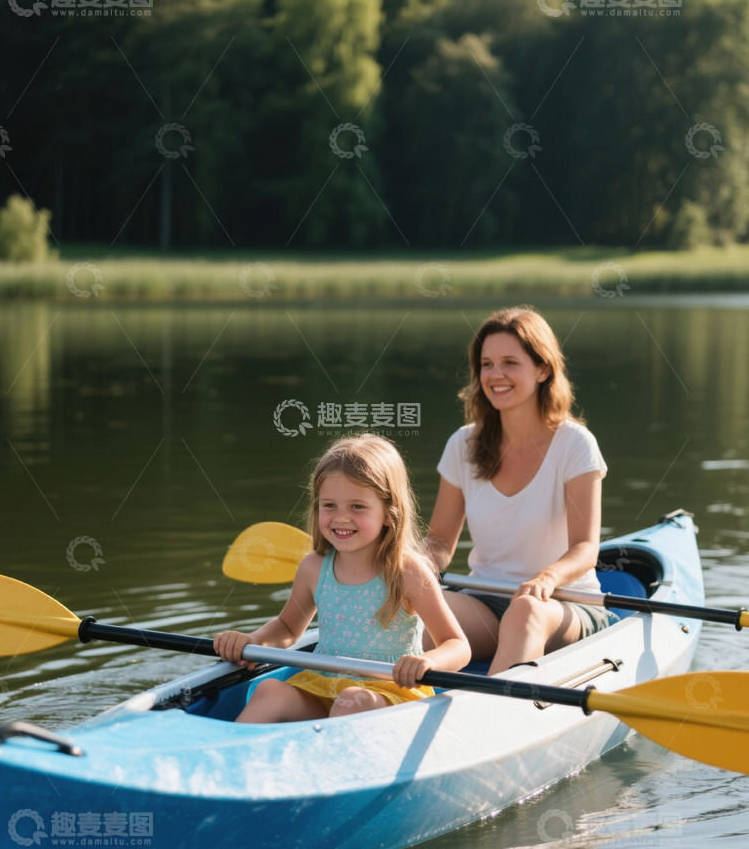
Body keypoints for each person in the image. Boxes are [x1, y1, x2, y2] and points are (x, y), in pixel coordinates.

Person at [214, 433, 471, 722]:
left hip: (390, 693)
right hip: (323, 686)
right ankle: (231, 763)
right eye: (330, 505)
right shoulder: (314, 568)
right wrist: (254, 640)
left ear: (389, 512)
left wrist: (427, 661)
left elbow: (457, 645)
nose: (341, 518)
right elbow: (287, 627)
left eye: (357, 506)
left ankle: (326, 761)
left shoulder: (408, 571)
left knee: (351, 701)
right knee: (269, 690)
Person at [426, 306, 612, 676]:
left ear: (543, 370)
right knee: (414, 613)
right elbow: (439, 545)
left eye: (510, 362)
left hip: (563, 605)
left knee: (525, 611)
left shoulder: (575, 444)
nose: (495, 375)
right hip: (486, 602)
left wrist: (545, 578)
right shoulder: (462, 445)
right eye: (487, 364)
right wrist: (407, 568)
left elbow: (585, 549)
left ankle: (490, 718)